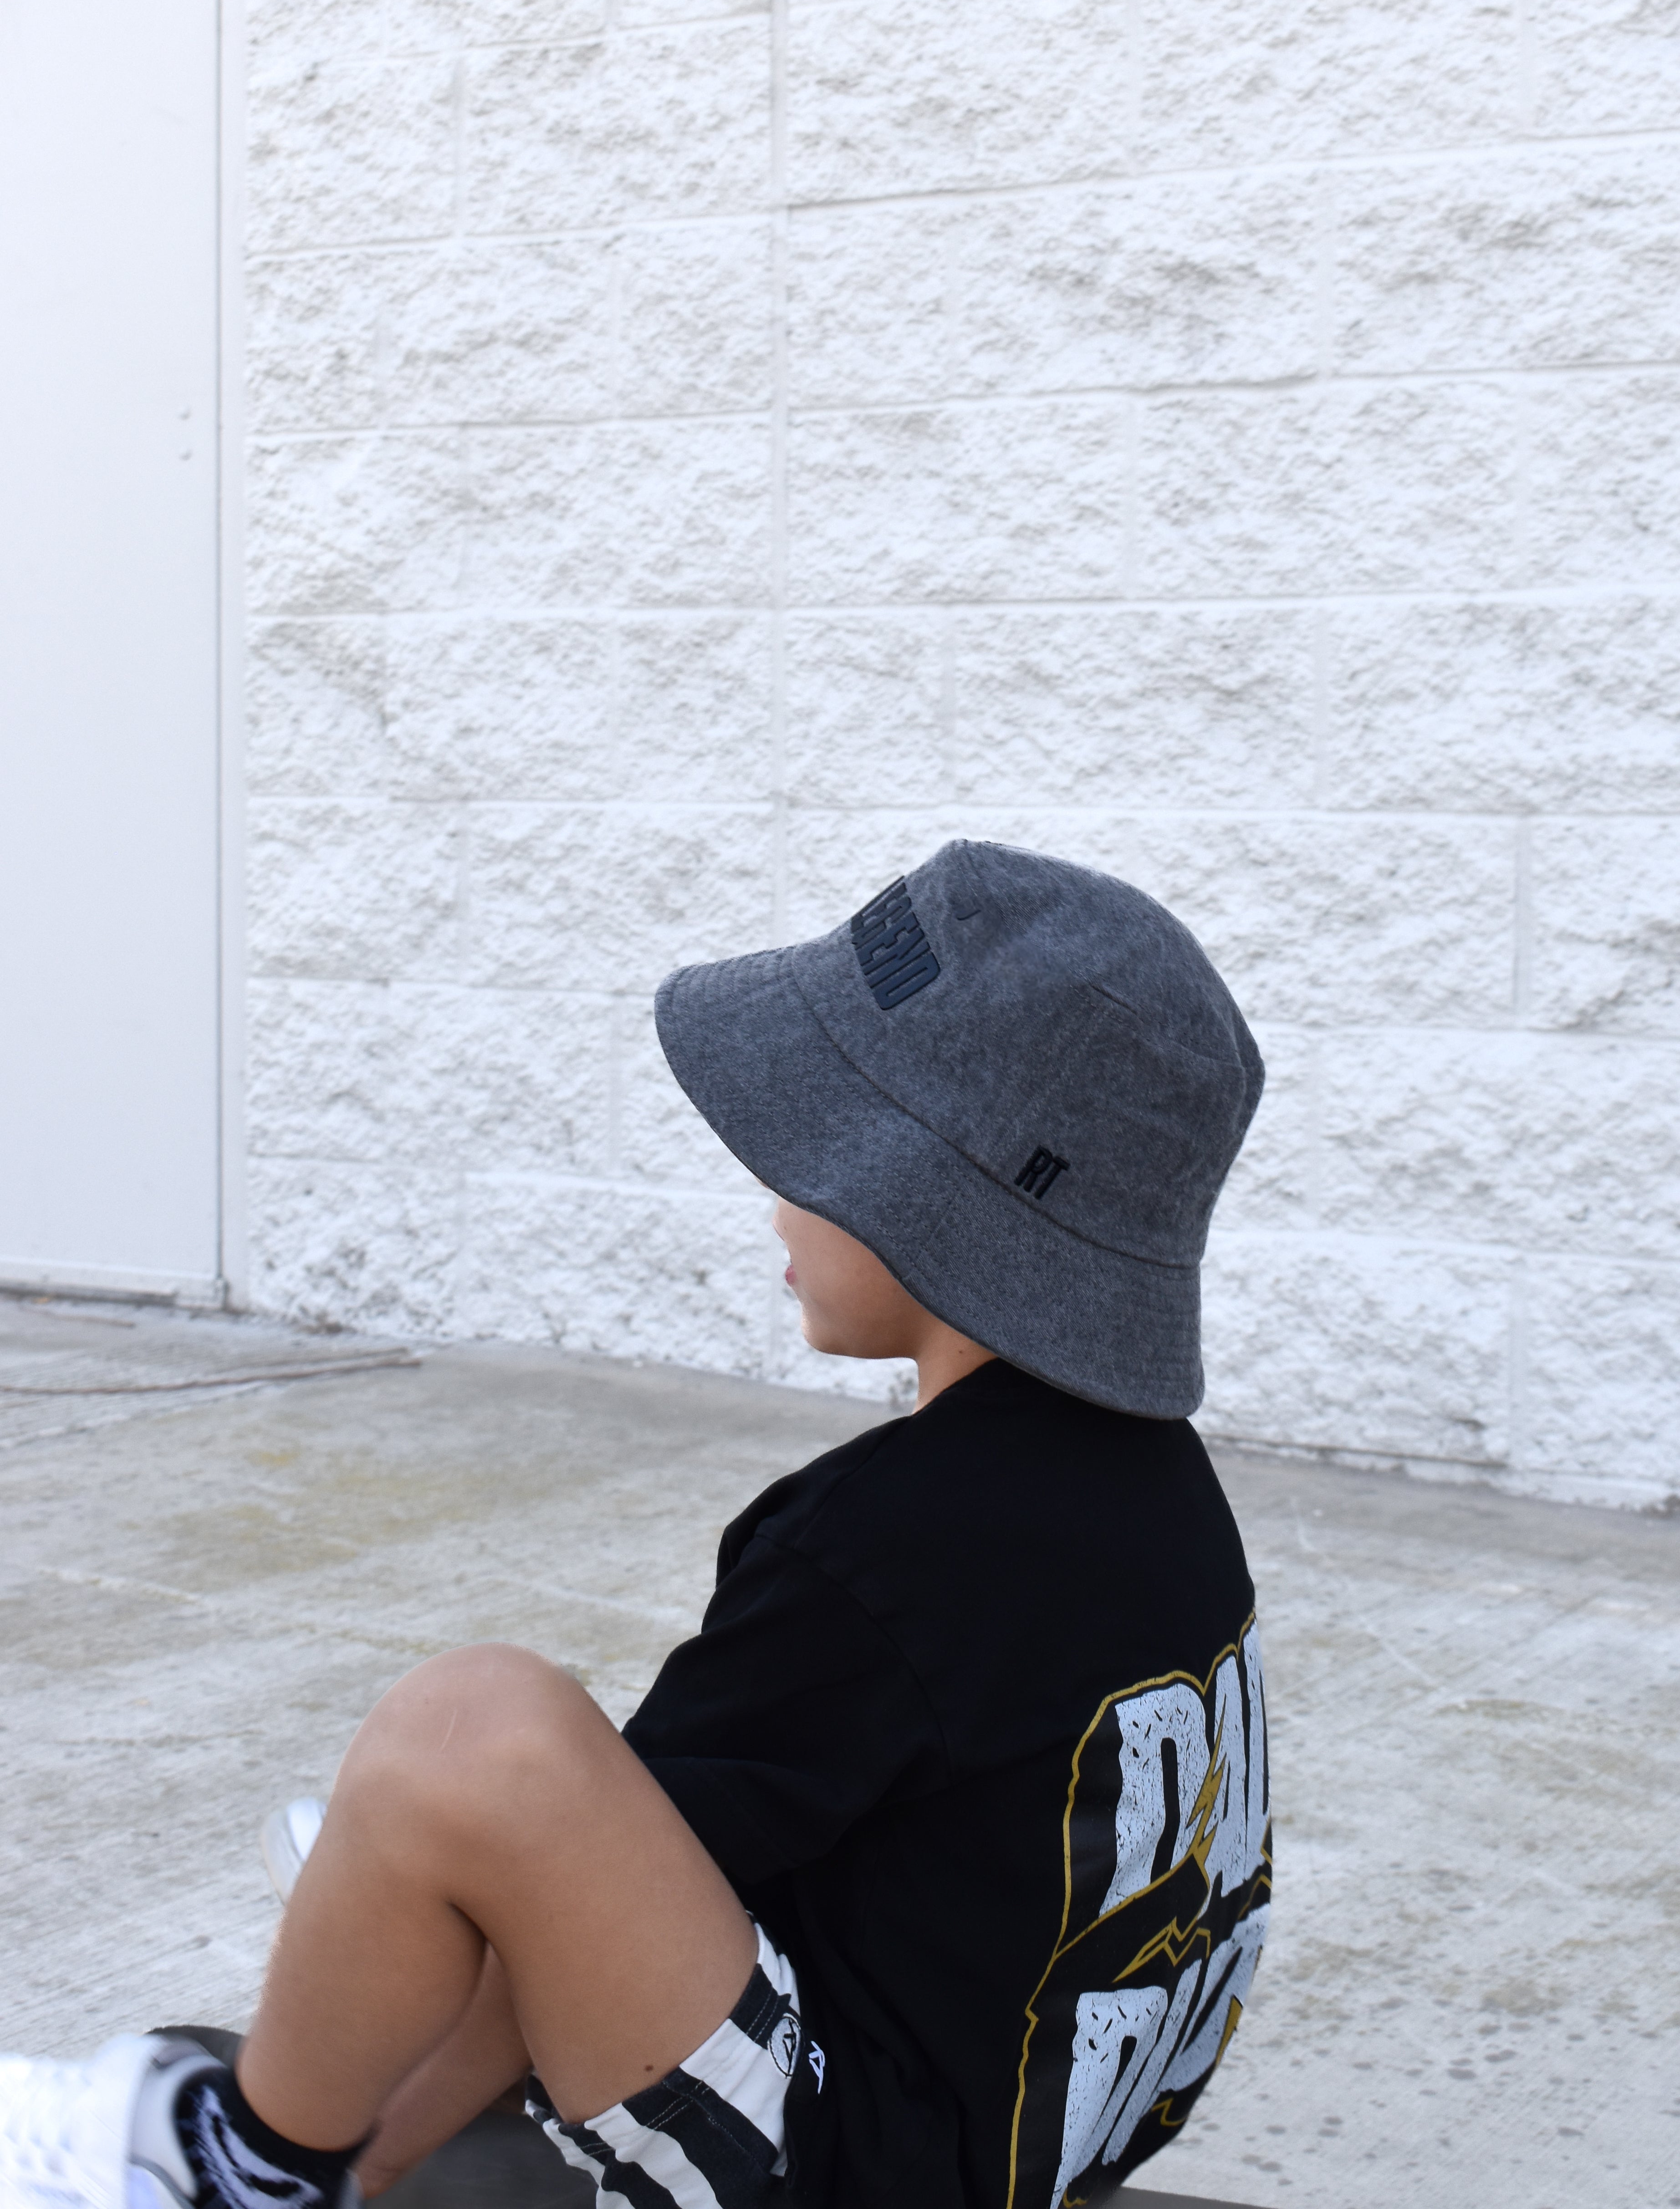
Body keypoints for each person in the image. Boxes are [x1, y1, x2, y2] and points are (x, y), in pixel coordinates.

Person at [0, 840, 1272, 2209]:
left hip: (855, 2173)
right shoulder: (1164, 1503)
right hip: (1034, 2134)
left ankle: (231, 2167)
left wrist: (374, 2131)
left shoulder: (885, 1546)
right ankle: (415, 1895)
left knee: (465, 1741)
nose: (774, 1194)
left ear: (929, 1198)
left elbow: (609, 1864)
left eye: (810, 1146)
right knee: (526, 1810)